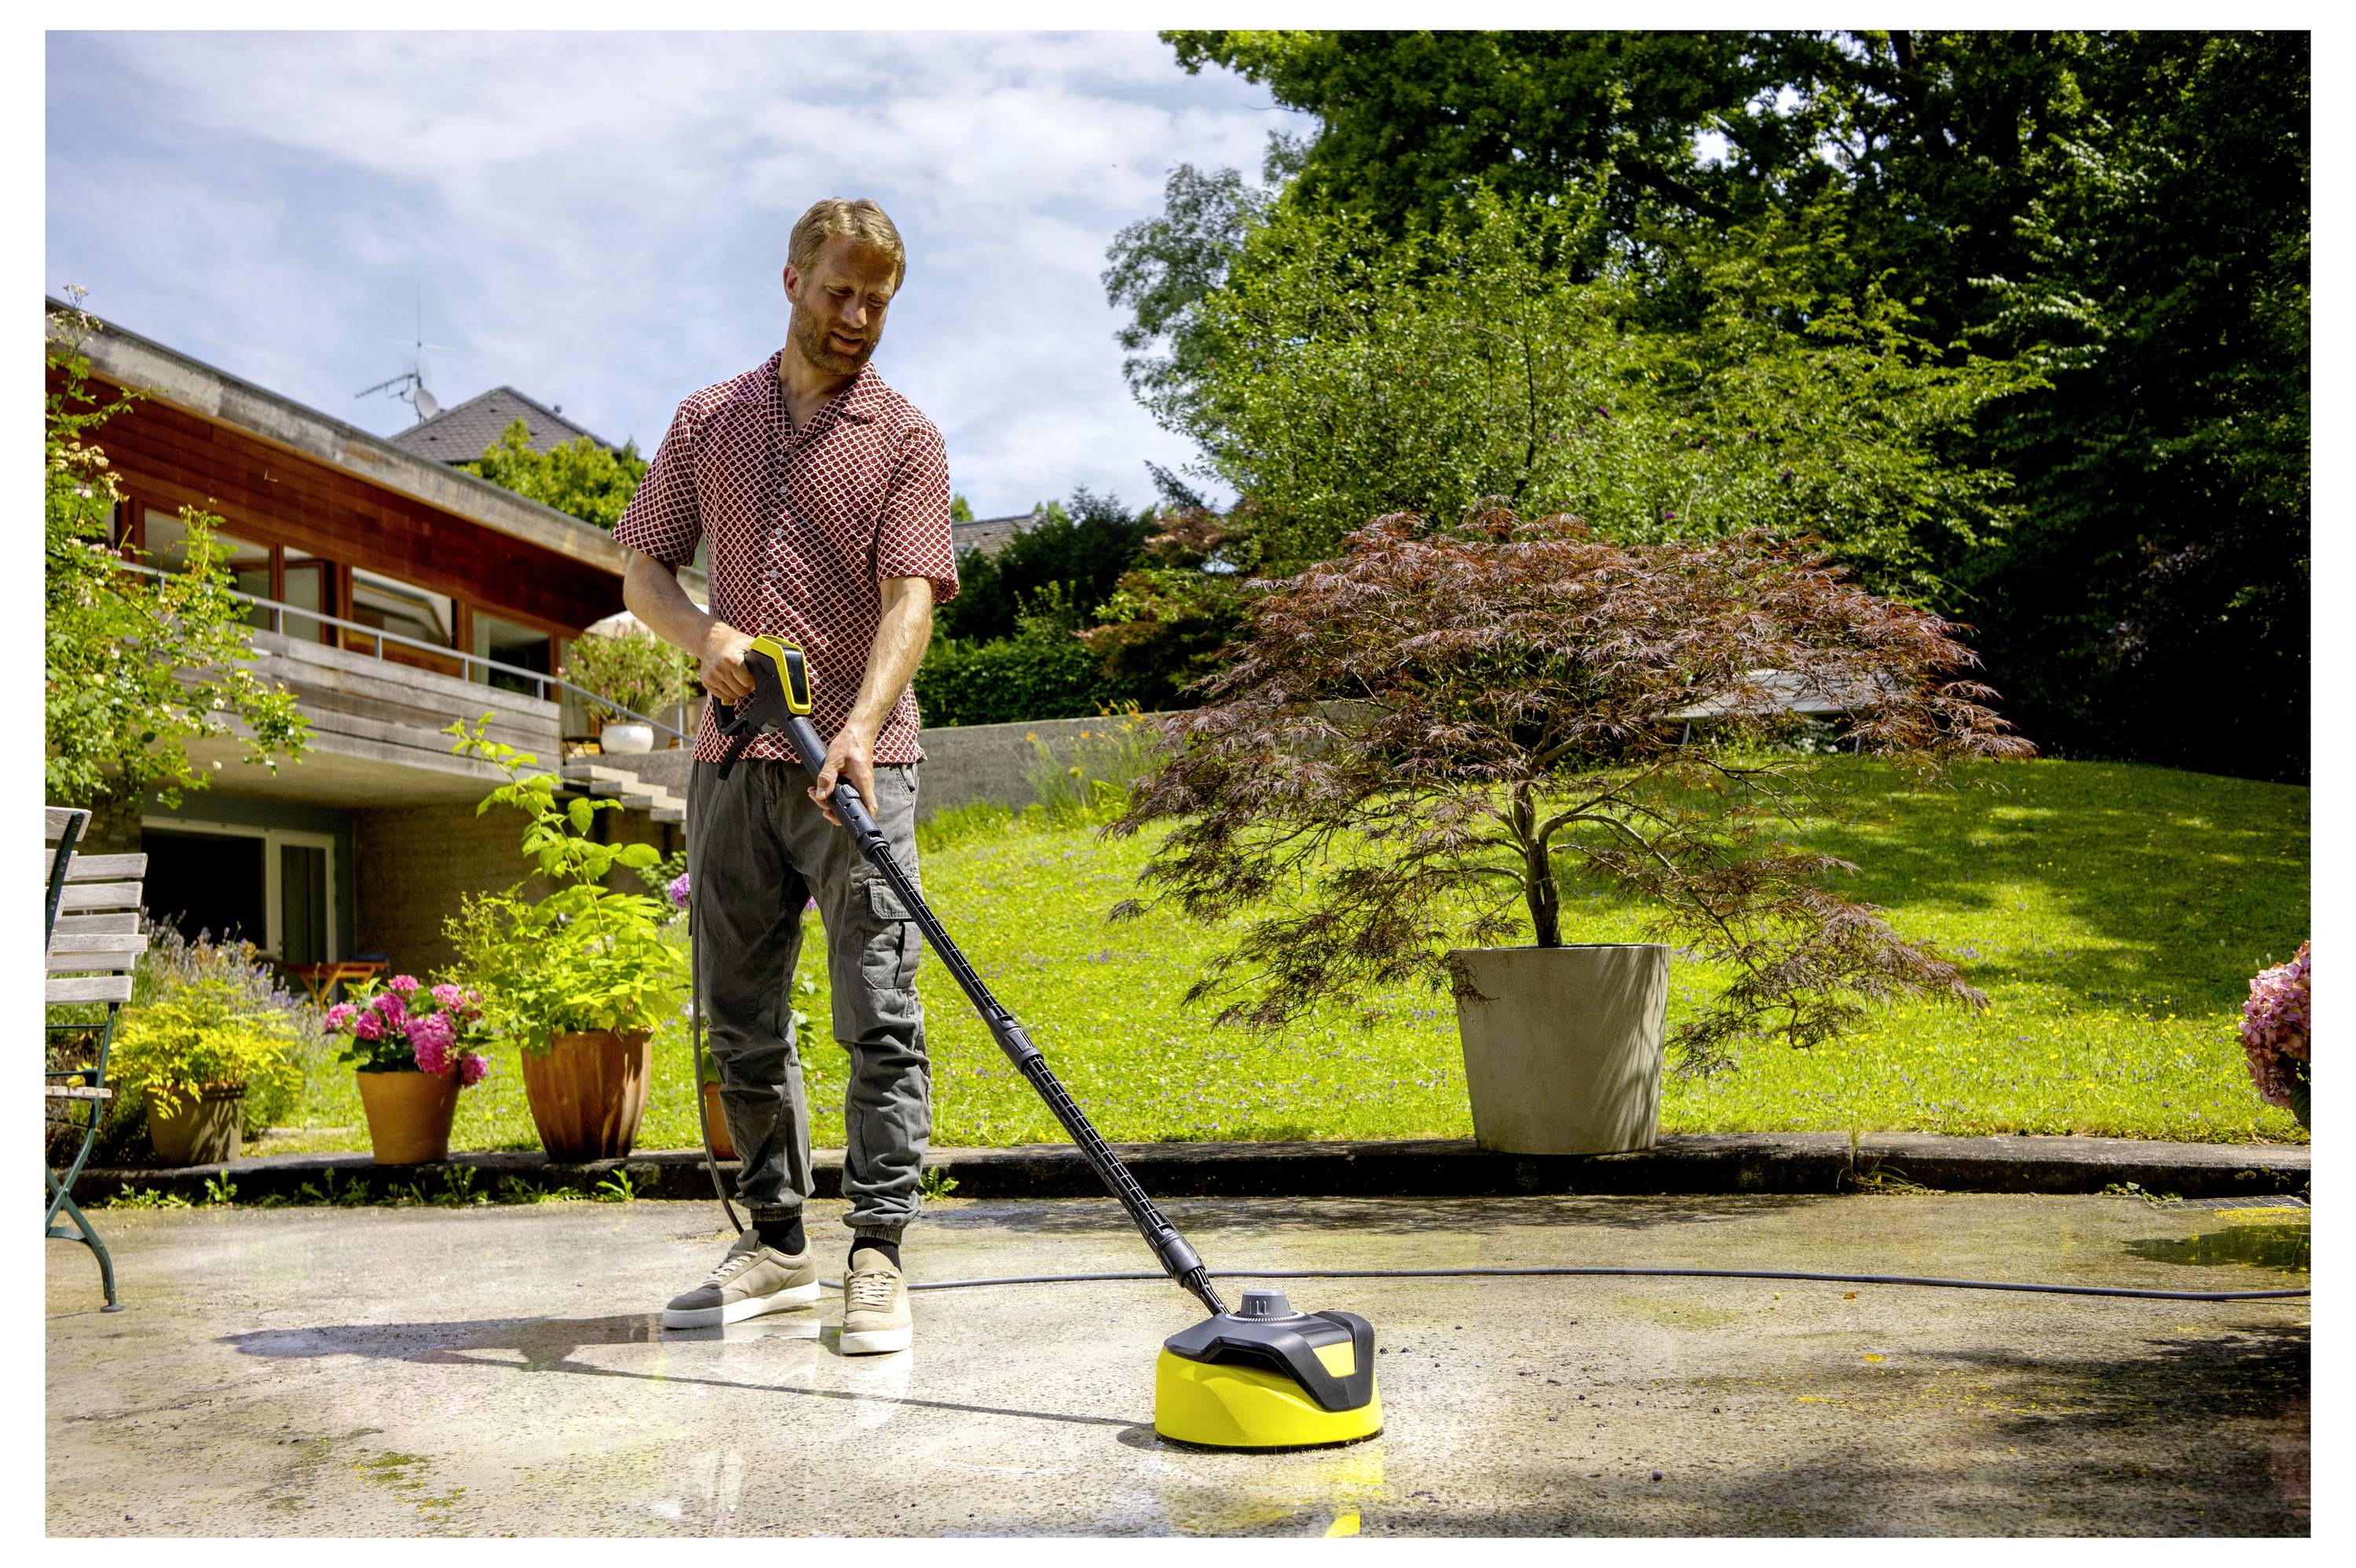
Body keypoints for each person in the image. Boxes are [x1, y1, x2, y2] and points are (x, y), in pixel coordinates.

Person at [615, 197, 958, 1353]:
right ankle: (775, 1242)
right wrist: (702, 633)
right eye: (840, 290)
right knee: (739, 1019)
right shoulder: (707, 419)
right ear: (793, 280)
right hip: (731, 760)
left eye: (878, 299)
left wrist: (860, 724)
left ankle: (877, 1252)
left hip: (862, 769)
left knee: (880, 1007)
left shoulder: (906, 438)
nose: (858, 316)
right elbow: (642, 569)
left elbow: (911, 595)